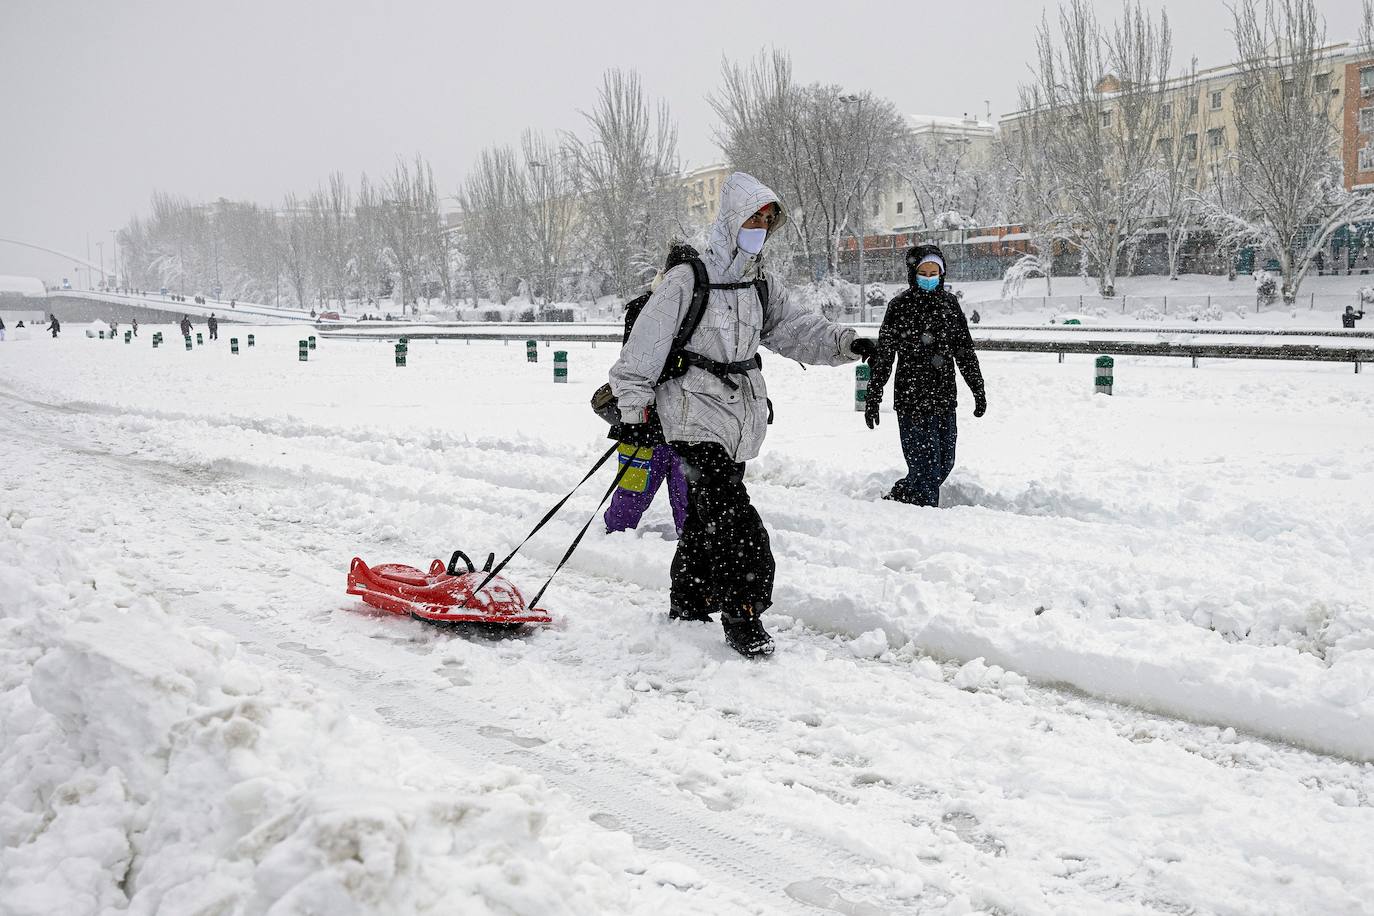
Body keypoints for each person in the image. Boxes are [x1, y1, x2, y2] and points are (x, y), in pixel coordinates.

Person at [609, 171, 874, 658]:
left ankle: (689, 600)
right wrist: (631, 410)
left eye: (768, 220)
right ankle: (743, 611)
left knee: (708, 515)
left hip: (737, 417)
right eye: (754, 216)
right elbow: (641, 352)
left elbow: (794, 330)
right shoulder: (687, 280)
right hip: (690, 414)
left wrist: (845, 343)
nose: (760, 226)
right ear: (732, 218)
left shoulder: (759, 282)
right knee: (735, 520)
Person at [864, 244, 987, 507]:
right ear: (913, 272)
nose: (929, 277)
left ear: (942, 274)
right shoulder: (899, 307)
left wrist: (978, 389)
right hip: (911, 398)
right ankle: (925, 522)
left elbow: (964, 350)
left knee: (945, 462)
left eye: (935, 273)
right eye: (924, 272)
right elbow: (885, 355)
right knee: (927, 470)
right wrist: (873, 395)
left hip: (944, 396)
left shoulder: (950, 305)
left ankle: (901, 496)